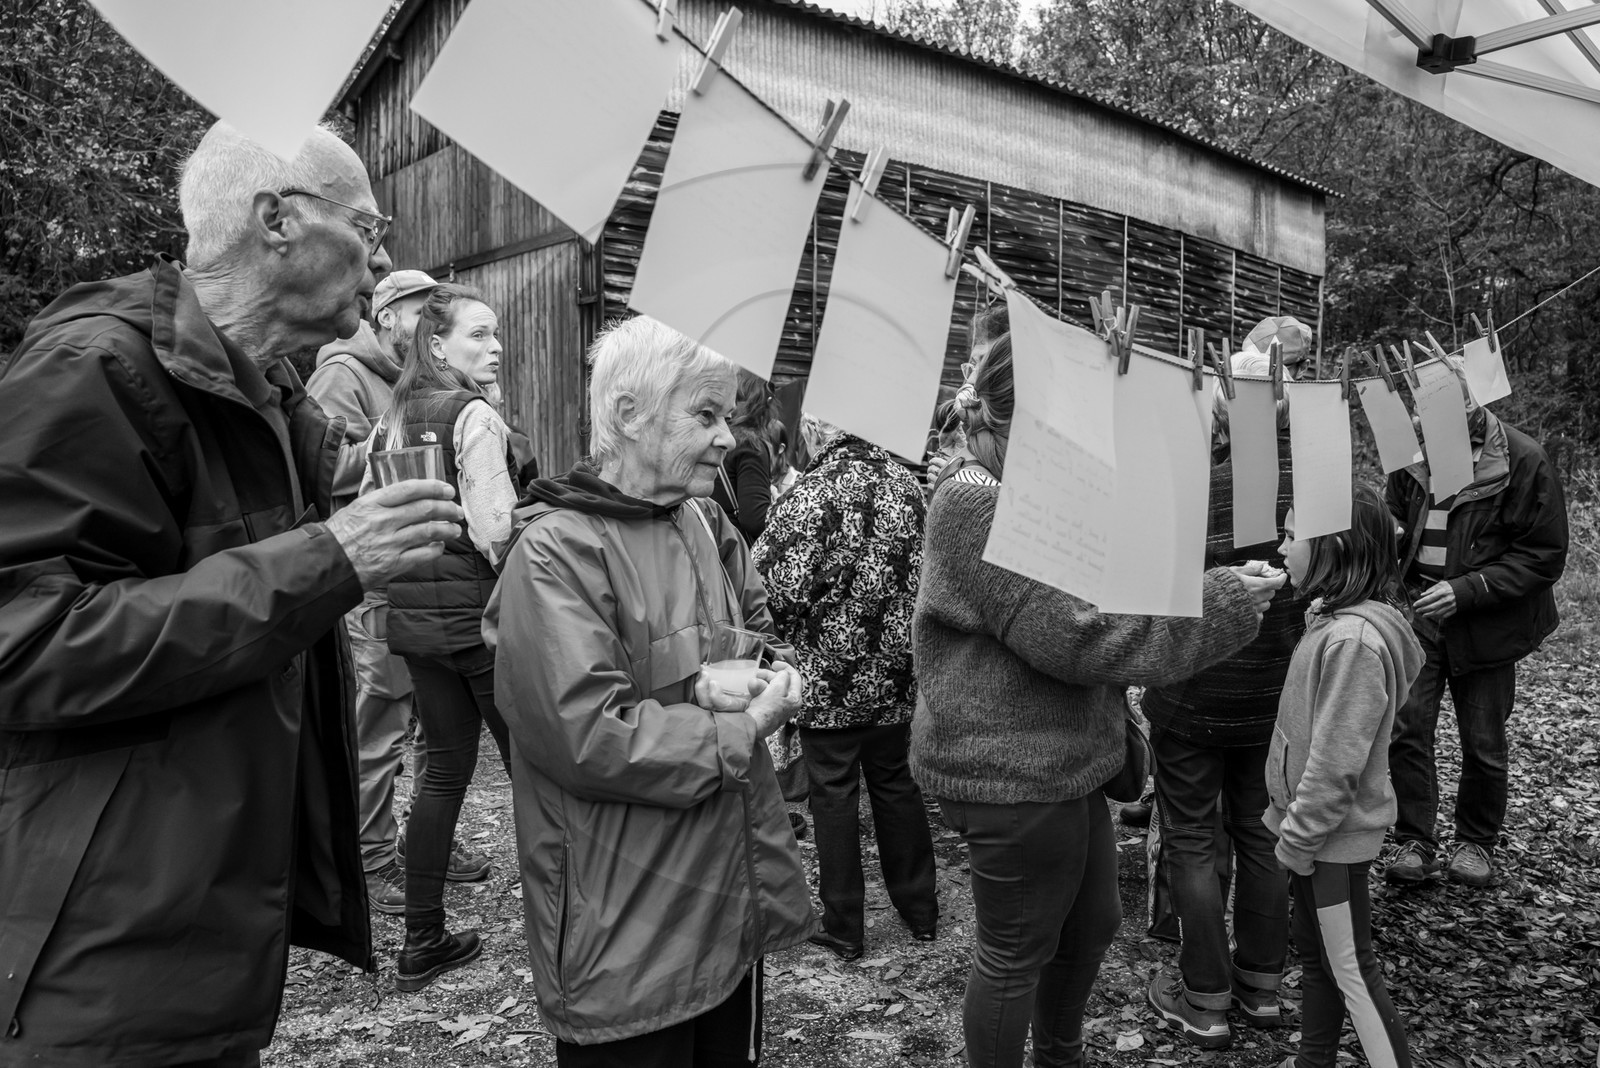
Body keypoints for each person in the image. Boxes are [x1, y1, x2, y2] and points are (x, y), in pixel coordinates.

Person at [0, 120, 463, 1065]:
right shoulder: (93, 369)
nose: (386, 257)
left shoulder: (262, 398)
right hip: (92, 952)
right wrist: (330, 557)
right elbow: (25, 642)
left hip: (194, 924)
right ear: (278, 221)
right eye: (370, 229)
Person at [911, 330, 1283, 1068]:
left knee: (1091, 925)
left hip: (1061, 759)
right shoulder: (975, 506)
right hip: (1010, 772)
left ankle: (1060, 1055)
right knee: (1015, 951)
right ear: (1020, 424)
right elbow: (1079, 637)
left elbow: (1096, 591)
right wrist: (1222, 605)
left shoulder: (1020, 491)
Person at [485, 314, 814, 1065]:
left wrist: (769, 668)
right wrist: (742, 724)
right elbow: (589, 736)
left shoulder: (701, 520)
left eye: (727, 416)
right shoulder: (556, 553)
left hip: (725, 899)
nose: (729, 438)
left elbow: (751, 624)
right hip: (627, 929)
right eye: (706, 415)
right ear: (629, 415)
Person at [1141, 351, 1304, 1048]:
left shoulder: (1194, 486)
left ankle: (1204, 996)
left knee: (1192, 840)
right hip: (1274, 695)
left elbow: (1154, 586)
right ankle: (1261, 987)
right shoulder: (1312, 489)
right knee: (1262, 833)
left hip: (1195, 692)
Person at [368, 283, 521, 991]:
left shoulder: (391, 419)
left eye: (496, 336)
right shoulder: (475, 416)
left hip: (418, 621)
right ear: (437, 346)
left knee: (443, 775)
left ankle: (421, 939)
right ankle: (578, 914)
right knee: (539, 768)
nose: (495, 348)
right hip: (479, 621)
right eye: (479, 335)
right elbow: (495, 531)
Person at [753, 416, 939, 963]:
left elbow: (768, 588)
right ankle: (921, 910)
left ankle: (845, 926)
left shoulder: (811, 495)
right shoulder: (907, 485)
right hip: (894, 677)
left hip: (829, 681)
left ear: (817, 429)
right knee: (896, 785)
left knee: (831, 796)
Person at [1383, 360, 1568, 887]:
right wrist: (1391, 537)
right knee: (1406, 730)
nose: (1419, 423)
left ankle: (1476, 845)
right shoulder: (1413, 457)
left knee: (1483, 741)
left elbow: (1543, 555)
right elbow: (1396, 514)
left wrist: (1467, 591)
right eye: (1417, 411)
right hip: (1418, 615)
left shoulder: (1522, 458)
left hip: (1488, 623)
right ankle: (1415, 840)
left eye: (1431, 411)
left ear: (1469, 404)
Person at [1269, 487, 1423, 1068]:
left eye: (1292, 536)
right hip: (1315, 836)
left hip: (1328, 841)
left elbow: (1336, 763)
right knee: (1318, 958)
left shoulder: (1352, 642)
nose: (1282, 549)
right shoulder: (1331, 623)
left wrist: (1299, 838)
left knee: (1352, 970)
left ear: (1332, 546)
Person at [307, 267, 440, 914]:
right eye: (420, 310)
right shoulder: (340, 372)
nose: (430, 323)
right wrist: (395, 443)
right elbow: (323, 467)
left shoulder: (408, 376)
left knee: (423, 715)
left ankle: (417, 841)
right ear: (385, 314)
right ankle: (371, 858)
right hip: (372, 572)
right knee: (381, 717)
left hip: (417, 565)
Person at [710, 367, 781, 544]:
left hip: (712, 539)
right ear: (766, 399)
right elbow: (755, 520)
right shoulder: (751, 445)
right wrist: (779, 505)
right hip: (736, 550)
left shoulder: (717, 435)